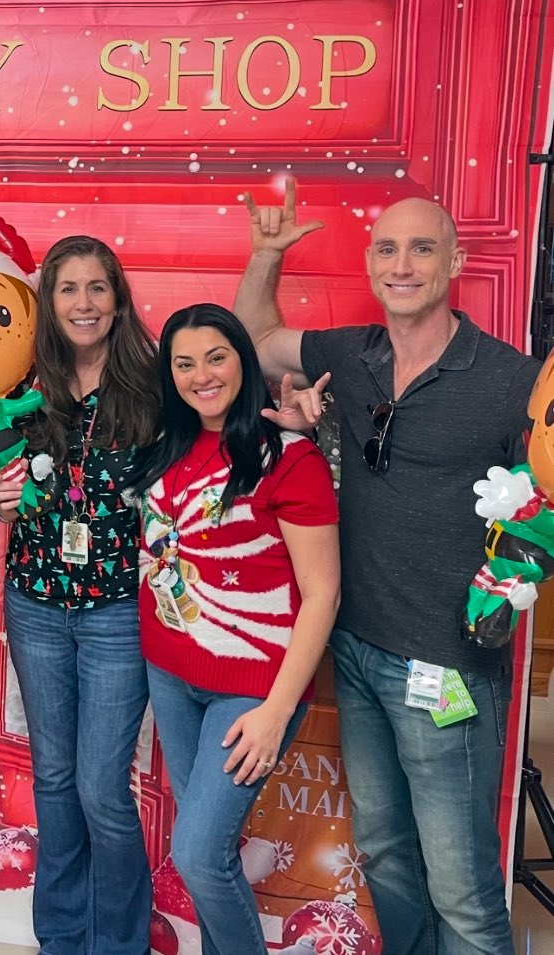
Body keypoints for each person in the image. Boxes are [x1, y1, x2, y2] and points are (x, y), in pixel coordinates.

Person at [234, 179, 539, 954]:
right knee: (388, 857)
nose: (401, 264)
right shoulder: (349, 353)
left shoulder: (510, 380)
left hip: (452, 670)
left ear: (454, 262)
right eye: (387, 248)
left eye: (421, 247)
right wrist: (265, 255)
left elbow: (542, 504)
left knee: (462, 891)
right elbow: (252, 335)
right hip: (359, 652)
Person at [129, 303, 340, 955]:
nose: (201, 375)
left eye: (215, 356)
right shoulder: (166, 444)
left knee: (195, 855)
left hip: (251, 689)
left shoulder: (287, 455)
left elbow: (323, 591)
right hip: (170, 673)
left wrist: (277, 711)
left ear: (243, 362)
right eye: (184, 362)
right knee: (211, 854)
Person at [0, 236, 160, 955]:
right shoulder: (20, 382)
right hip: (33, 603)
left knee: (100, 789)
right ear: (47, 303)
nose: (83, 303)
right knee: (53, 780)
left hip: (117, 612)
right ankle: (60, 936)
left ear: (117, 300)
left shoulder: (155, 387)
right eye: (68, 289)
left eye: (97, 288)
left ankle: (117, 941)